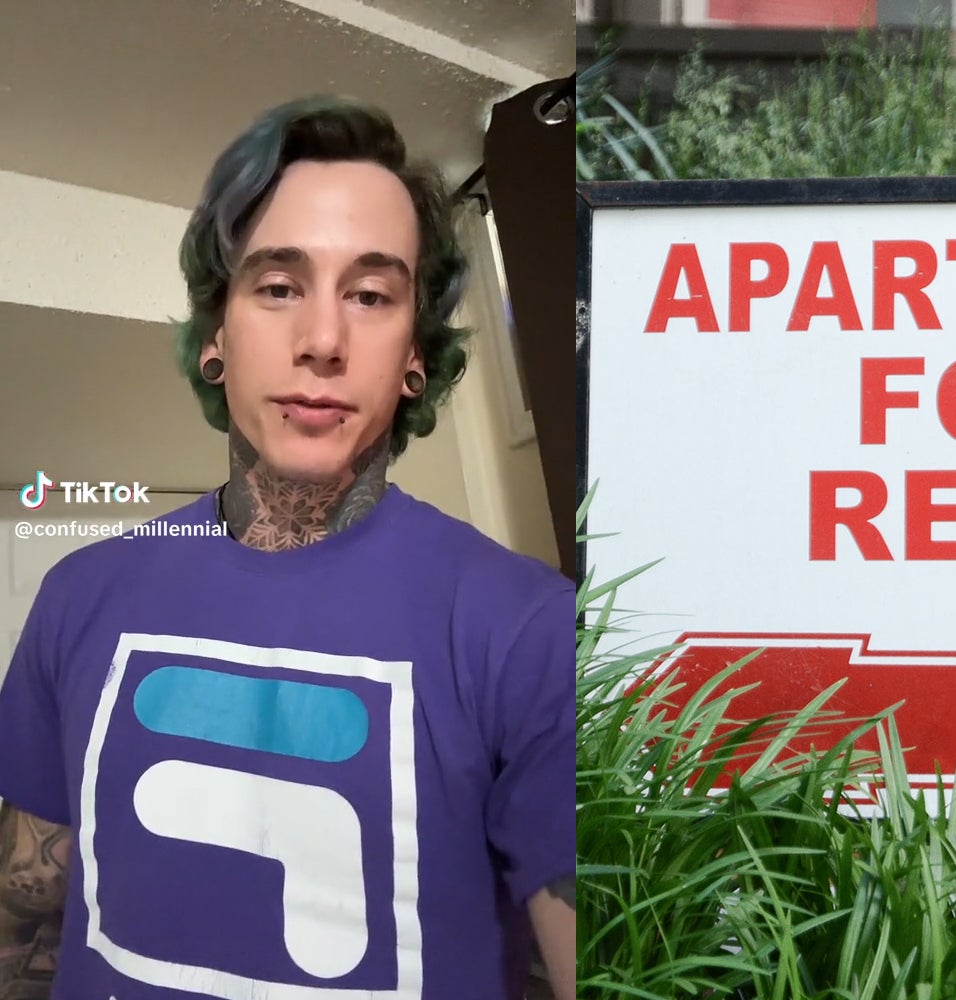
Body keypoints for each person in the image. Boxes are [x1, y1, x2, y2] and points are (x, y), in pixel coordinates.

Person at [0, 97, 576, 1000]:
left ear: (415, 355)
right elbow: (27, 905)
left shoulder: (529, 630)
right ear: (217, 340)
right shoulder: (78, 595)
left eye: (372, 295)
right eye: (278, 286)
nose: (322, 342)